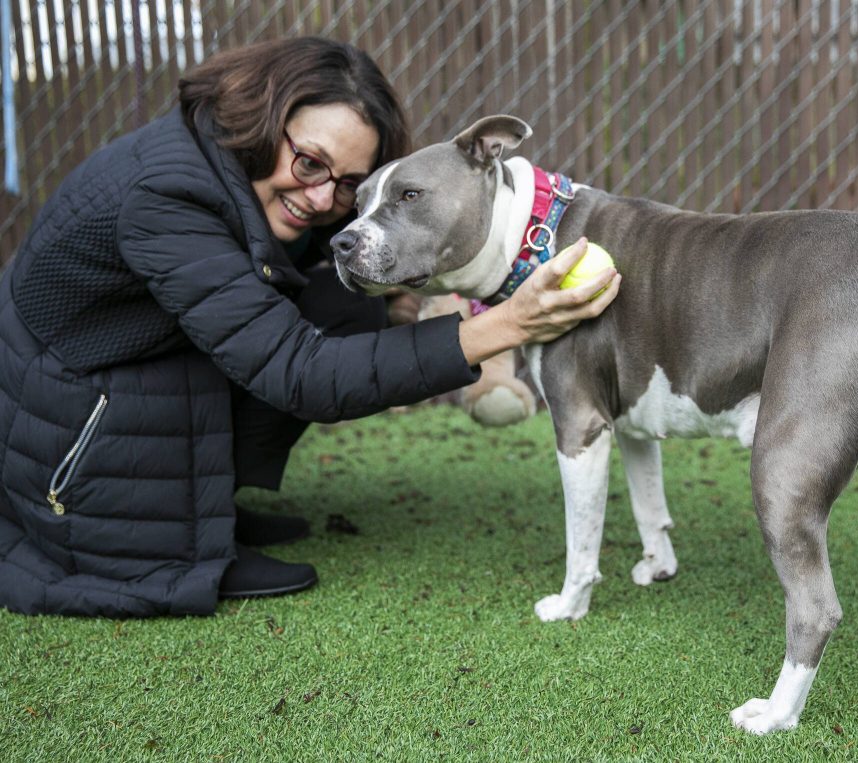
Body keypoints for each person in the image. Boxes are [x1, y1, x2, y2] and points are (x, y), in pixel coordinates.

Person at [0, 37, 620, 617]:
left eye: (347, 184)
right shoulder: (168, 197)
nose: (323, 198)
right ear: (263, 117)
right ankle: (170, 544)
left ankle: (211, 507)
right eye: (310, 163)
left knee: (347, 301)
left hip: (128, 375)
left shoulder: (228, 165)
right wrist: (506, 324)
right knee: (301, 335)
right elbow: (300, 372)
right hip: (67, 440)